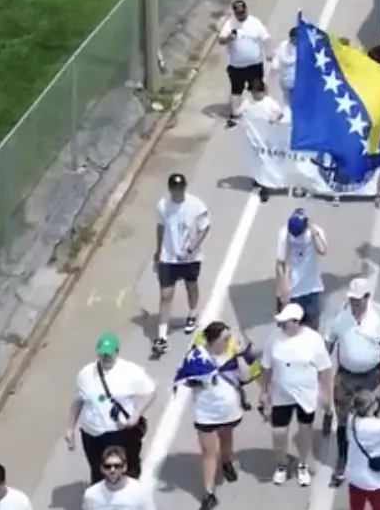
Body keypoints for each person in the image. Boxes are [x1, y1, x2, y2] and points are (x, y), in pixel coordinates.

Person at [325, 278, 380, 487]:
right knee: (343, 420)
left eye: (358, 299)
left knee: (369, 421)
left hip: (371, 376)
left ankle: (369, 458)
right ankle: (343, 458)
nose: (354, 303)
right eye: (352, 299)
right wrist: (322, 380)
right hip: (346, 376)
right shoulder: (340, 314)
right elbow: (327, 345)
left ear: (367, 297)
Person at [180, 321, 253, 509]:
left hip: (228, 409)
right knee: (208, 452)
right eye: (225, 338)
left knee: (226, 438)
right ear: (212, 340)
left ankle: (227, 462)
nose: (229, 341)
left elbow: (245, 377)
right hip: (205, 411)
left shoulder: (232, 354)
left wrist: (239, 355)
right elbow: (186, 379)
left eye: (229, 337)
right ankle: (209, 493)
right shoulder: (197, 356)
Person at [259, 302, 333, 486]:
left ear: (297, 322)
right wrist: (264, 392)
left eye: (285, 322)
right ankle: (281, 465)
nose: (281, 326)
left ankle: (303, 465)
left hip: (306, 395)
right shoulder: (273, 338)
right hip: (281, 394)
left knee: (304, 432)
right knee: (279, 432)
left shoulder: (314, 340)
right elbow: (266, 367)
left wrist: (326, 394)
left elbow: (325, 369)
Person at [67, 333, 155, 483]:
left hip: (119, 432)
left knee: (126, 469)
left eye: (109, 354)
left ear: (117, 352)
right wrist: (70, 429)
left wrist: (135, 416)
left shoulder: (130, 371)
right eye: (102, 354)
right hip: (92, 433)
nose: (105, 357)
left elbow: (150, 392)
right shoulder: (85, 374)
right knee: (98, 470)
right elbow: (78, 401)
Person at [152, 173, 211, 356]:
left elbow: (205, 227)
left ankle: (192, 314)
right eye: (174, 188)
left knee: (191, 286)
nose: (177, 191)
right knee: (165, 294)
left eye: (180, 188)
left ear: (184, 187)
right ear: (170, 189)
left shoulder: (196, 206)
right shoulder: (163, 206)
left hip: (189, 258)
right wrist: (159, 250)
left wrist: (193, 247)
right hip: (168, 257)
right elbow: (161, 227)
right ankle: (162, 337)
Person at [218, 0, 270, 128]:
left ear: (246, 10)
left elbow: (265, 38)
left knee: (258, 88)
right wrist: (229, 38)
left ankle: (265, 109)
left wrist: (268, 53)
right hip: (237, 66)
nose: (241, 15)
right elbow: (221, 40)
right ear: (234, 12)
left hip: (255, 63)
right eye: (238, 13)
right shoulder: (229, 24)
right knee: (236, 90)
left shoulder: (254, 22)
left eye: (242, 12)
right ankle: (234, 115)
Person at [275, 209, 328, 329]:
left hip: (312, 289)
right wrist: (283, 290)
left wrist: (314, 232)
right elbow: (280, 264)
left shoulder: (315, 232)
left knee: (312, 327)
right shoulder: (284, 233)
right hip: (293, 291)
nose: (296, 236)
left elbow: (323, 250)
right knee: (289, 329)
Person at [81, 445, 155, 510]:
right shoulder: (91, 494)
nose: (112, 470)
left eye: (117, 466)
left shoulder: (140, 492)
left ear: (125, 467)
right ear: (102, 468)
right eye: (108, 466)